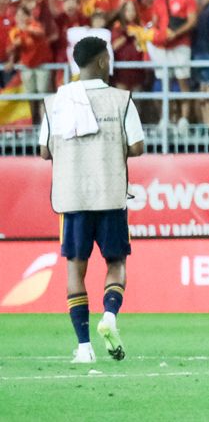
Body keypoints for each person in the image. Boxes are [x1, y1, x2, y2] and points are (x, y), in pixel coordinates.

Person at [41, 35, 144, 364]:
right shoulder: (122, 99)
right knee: (116, 264)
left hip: (72, 198)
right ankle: (110, 317)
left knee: (76, 268)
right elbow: (138, 147)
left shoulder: (56, 101)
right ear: (101, 61)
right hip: (110, 195)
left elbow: (45, 150)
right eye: (108, 59)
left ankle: (83, 347)